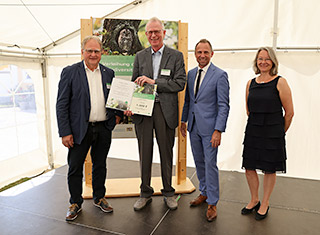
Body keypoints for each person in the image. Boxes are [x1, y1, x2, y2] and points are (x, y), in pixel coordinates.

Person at [56, 36, 121, 221]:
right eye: (89, 51)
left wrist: (117, 115)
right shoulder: (70, 72)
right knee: (75, 167)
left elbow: (114, 99)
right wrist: (65, 132)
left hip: (103, 128)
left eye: (97, 51)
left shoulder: (109, 73)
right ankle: (75, 202)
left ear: (102, 53)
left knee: (100, 165)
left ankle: (99, 197)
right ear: (82, 51)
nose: (93, 54)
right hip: (78, 130)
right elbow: (61, 104)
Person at [125, 17, 186, 211]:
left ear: (163, 33)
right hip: (143, 111)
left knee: (166, 152)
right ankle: (145, 192)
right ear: (146, 34)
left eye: (156, 31)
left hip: (165, 110)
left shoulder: (175, 56)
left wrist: (155, 82)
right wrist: (129, 103)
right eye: (150, 32)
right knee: (145, 152)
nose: (153, 35)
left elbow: (180, 83)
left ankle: (169, 192)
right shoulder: (140, 56)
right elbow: (134, 82)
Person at [241, 47, 294, 220]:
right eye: (260, 59)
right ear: (256, 61)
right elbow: (248, 110)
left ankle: (265, 202)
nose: (263, 62)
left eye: (267, 59)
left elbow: (289, 112)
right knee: (249, 167)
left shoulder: (280, 82)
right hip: (254, 130)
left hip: (272, 132)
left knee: (269, 169)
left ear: (273, 62)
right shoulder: (251, 83)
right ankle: (254, 199)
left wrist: (279, 132)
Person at [181, 39, 230, 222]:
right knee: (199, 162)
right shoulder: (191, 74)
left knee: (210, 164)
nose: (202, 55)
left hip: (210, 129)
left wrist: (218, 130)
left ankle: (212, 202)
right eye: (199, 52)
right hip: (193, 126)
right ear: (195, 54)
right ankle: (203, 192)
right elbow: (188, 100)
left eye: (206, 52)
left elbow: (223, 105)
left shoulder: (220, 75)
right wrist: (183, 120)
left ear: (212, 54)